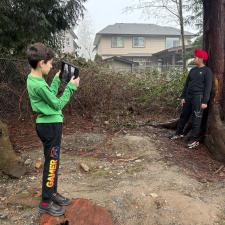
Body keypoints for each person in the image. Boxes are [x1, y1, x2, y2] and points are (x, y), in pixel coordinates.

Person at [26, 43, 80, 216]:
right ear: (42, 62)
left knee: (53, 161)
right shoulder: (39, 84)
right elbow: (57, 104)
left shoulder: (35, 79)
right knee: (52, 162)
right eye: (50, 64)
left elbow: (50, 98)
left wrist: (57, 80)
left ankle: (52, 193)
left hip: (48, 124)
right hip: (49, 126)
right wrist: (71, 87)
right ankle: (45, 201)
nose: (51, 67)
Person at [170, 48, 213, 149]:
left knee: (196, 119)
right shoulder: (193, 70)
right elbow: (186, 84)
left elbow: (208, 87)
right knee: (183, 115)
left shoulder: (207, 71)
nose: (194, 59)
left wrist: (205, 101)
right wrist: (183, 97)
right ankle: (179, 133)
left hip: (199, 98)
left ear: (201, 58)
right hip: (188, 97)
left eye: (196, 57)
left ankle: (194, 140)